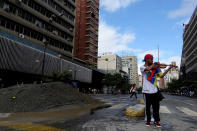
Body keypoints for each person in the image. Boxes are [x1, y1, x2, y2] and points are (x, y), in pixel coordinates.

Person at [140, 54, 173, 127]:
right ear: (146, 59)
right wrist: (155, 64)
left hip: (155, 91)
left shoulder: (156, 68)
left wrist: (168, 68)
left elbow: (161, 76)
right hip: (146, 91)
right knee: (147, 108)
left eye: (152, 59)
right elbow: (148, 69)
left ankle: (156, 121)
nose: (152, 60)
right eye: (151, 59)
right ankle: (148, 121)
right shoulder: (142, 67)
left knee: (156, 108)